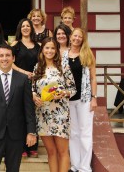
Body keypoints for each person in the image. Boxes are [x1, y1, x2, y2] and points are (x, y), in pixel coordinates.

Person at [0, 44, 37, 172]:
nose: (5, 58)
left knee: (13, 168)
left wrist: (31, 131)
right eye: (1, 56)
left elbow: (28, 108)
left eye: (8, 55)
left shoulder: (23, 79)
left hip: (16, 133)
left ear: (13, 58)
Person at [32, 37, 76, 172]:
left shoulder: (63, 66)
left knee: (62, 151)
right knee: (51, 152)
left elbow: (73, 89)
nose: (49, 51)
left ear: (56, 50)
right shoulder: (38, 67)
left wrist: (64, 93)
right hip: (43, 114)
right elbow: (33, 88)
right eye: (47, 48)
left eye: (52, 48)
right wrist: (33, 96)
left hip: (60, 114)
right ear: (42, 50)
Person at [63, 28, 98, 172]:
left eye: (80, 36)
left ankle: (84, 167)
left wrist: (94, 98)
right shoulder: (64, 55)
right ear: (70, 37)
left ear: (83, 39)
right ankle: (75, 165)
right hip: (69, 99)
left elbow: (93, 78)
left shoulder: (87, 54)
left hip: (84, 99)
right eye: (75, 36)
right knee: (74, 133)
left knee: (85, 133)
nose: (77, 38)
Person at [11, 18, 40, 158]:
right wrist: (24, 73)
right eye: (23, 26)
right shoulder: (15, 45)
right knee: (20, 114)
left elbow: (43, 62)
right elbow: (10, 63)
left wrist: (36, 74)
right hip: (19, 81)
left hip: (35, 82)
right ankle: (21, 146)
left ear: (31, 28)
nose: (26, 28)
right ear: (19, 29)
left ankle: (33, 145)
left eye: (28, 26)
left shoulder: (38, 45)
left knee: (33, 114)